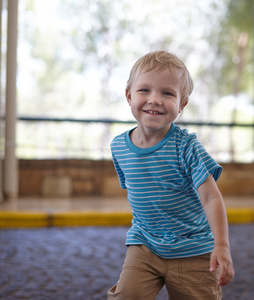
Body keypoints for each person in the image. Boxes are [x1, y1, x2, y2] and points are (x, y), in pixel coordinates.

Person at [107, 50, 234, 300]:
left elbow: (211, 198)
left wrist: (222, 245)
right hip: (144, 244)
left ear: (181, 104)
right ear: (129, 95)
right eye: (144, 90)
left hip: (193, 250)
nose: (154, 99)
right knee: (126, 296)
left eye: (167, 93)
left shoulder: (187, 147)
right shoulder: (118, 147)